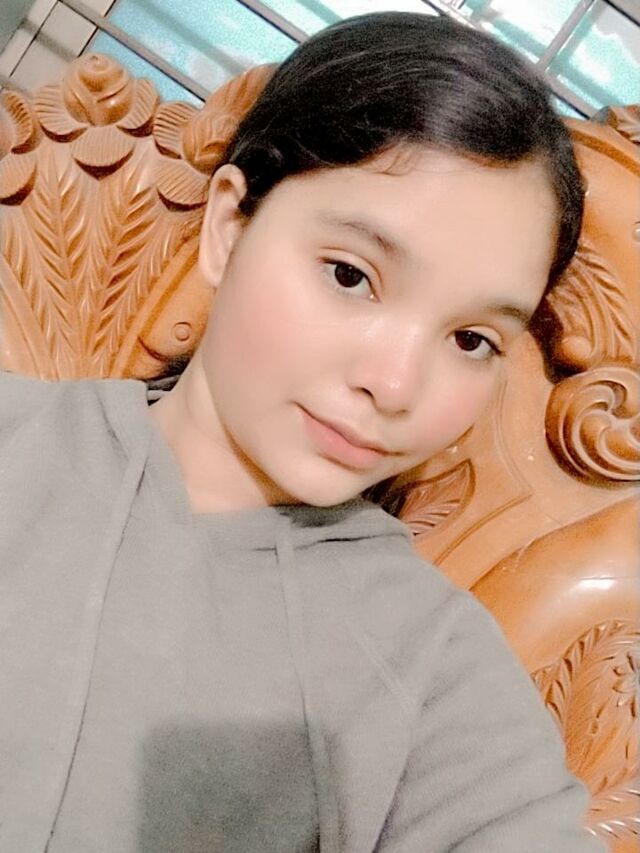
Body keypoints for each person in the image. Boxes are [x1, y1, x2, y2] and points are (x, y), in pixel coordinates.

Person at [0, 11, 605, 853]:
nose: (395, 384)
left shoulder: (438, 670)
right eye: (351, 275)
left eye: (471, 339)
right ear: (229, 227)